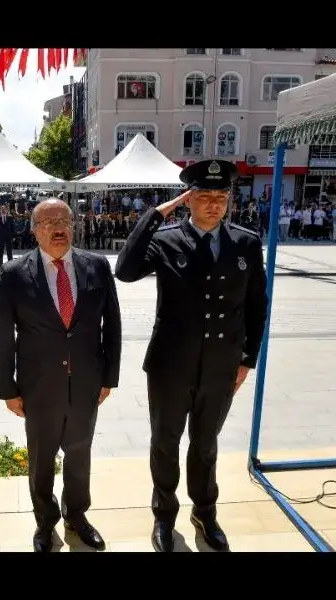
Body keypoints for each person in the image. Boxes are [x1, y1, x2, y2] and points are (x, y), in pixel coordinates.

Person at [115, 159, 268, 552]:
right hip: (170, 365)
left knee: (206, 444)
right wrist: (155, 214)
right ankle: (164, 516)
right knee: (165, 442)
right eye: (204, 197)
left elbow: (256, 307)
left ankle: (205, 512)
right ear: (189, 200)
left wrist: (247, 359)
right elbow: (126, 270)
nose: (214, 204)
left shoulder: (246, 243)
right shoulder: (166, 239)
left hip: (221, 365)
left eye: (221, 197)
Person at [0, 199, 122, 552]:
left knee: (79, 454)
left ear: (73, 225)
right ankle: (45, 522)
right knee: (42, 458)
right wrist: (8, 389)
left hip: (86, 383)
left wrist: (110, 376)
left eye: (63, 219)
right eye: (47, 221)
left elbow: (112, 325)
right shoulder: (14, 275)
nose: (57, 226)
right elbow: (3, 337)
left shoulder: (96, 267)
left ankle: (77, 516)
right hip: (38, 388)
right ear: (34, 230)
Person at [0, 204, 14, 268]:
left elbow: (12, 227)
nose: (3, 210)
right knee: (0, 252)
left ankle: (10, 266)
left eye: (4, 209)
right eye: (2, 209)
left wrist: (13, 236)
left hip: (8, 237)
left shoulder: (10, 217)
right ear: (0, 210)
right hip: (1, 237)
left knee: (9, 251)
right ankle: (1, 265)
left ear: (6, 210)